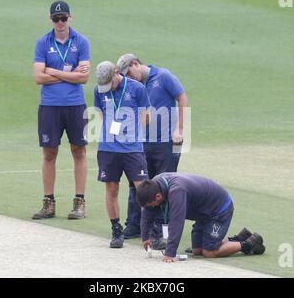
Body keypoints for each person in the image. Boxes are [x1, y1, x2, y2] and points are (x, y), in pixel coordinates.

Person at [116, 54, 188, 245]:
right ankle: (134, 224)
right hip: (141, 142)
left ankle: (158, 229)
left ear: (136, 64)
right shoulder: (132, 85)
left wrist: (180, 130)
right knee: (137, 183)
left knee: (162, 187)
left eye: (129, 73)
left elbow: (182, 98)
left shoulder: (163, 76)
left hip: (165, 143)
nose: (129, 78)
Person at [31, 0, 90, 220]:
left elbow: (83, 77)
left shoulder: (81, 41)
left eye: (63, 18)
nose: (60, 22)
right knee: (49, 153)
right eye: (56, 19)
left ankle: (79, 202)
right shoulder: (42, 43)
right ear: (50, 20)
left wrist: (52, 72)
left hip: (75, 105)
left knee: (79, 151)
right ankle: (48, 202)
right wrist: (70, 75)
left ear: (70, 18)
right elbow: (38, 77)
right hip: (50, 106)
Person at [136, 173, 266, 262]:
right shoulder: (154, 185)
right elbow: (147, 212)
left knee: (209, 252)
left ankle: (249, 244)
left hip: (219, 210)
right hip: (204, 213)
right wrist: (145, 237)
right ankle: (237, 238)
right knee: (197, 250)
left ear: (158, 196)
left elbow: (177, 222)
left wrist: (170, 253)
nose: (151, 207)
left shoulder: (176, 191)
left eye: (151, 204)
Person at [94, 61, 151, 248]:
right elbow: (101, 114)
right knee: (111, 189)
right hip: (108, 148)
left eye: (109, 83)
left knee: (144, 190)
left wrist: (134, 135)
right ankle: (116, 230)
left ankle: (150, 230)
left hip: (132, 149)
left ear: (117, 73)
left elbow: (146, 116)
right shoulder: (99, 90)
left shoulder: (137, 88)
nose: (105, 88)